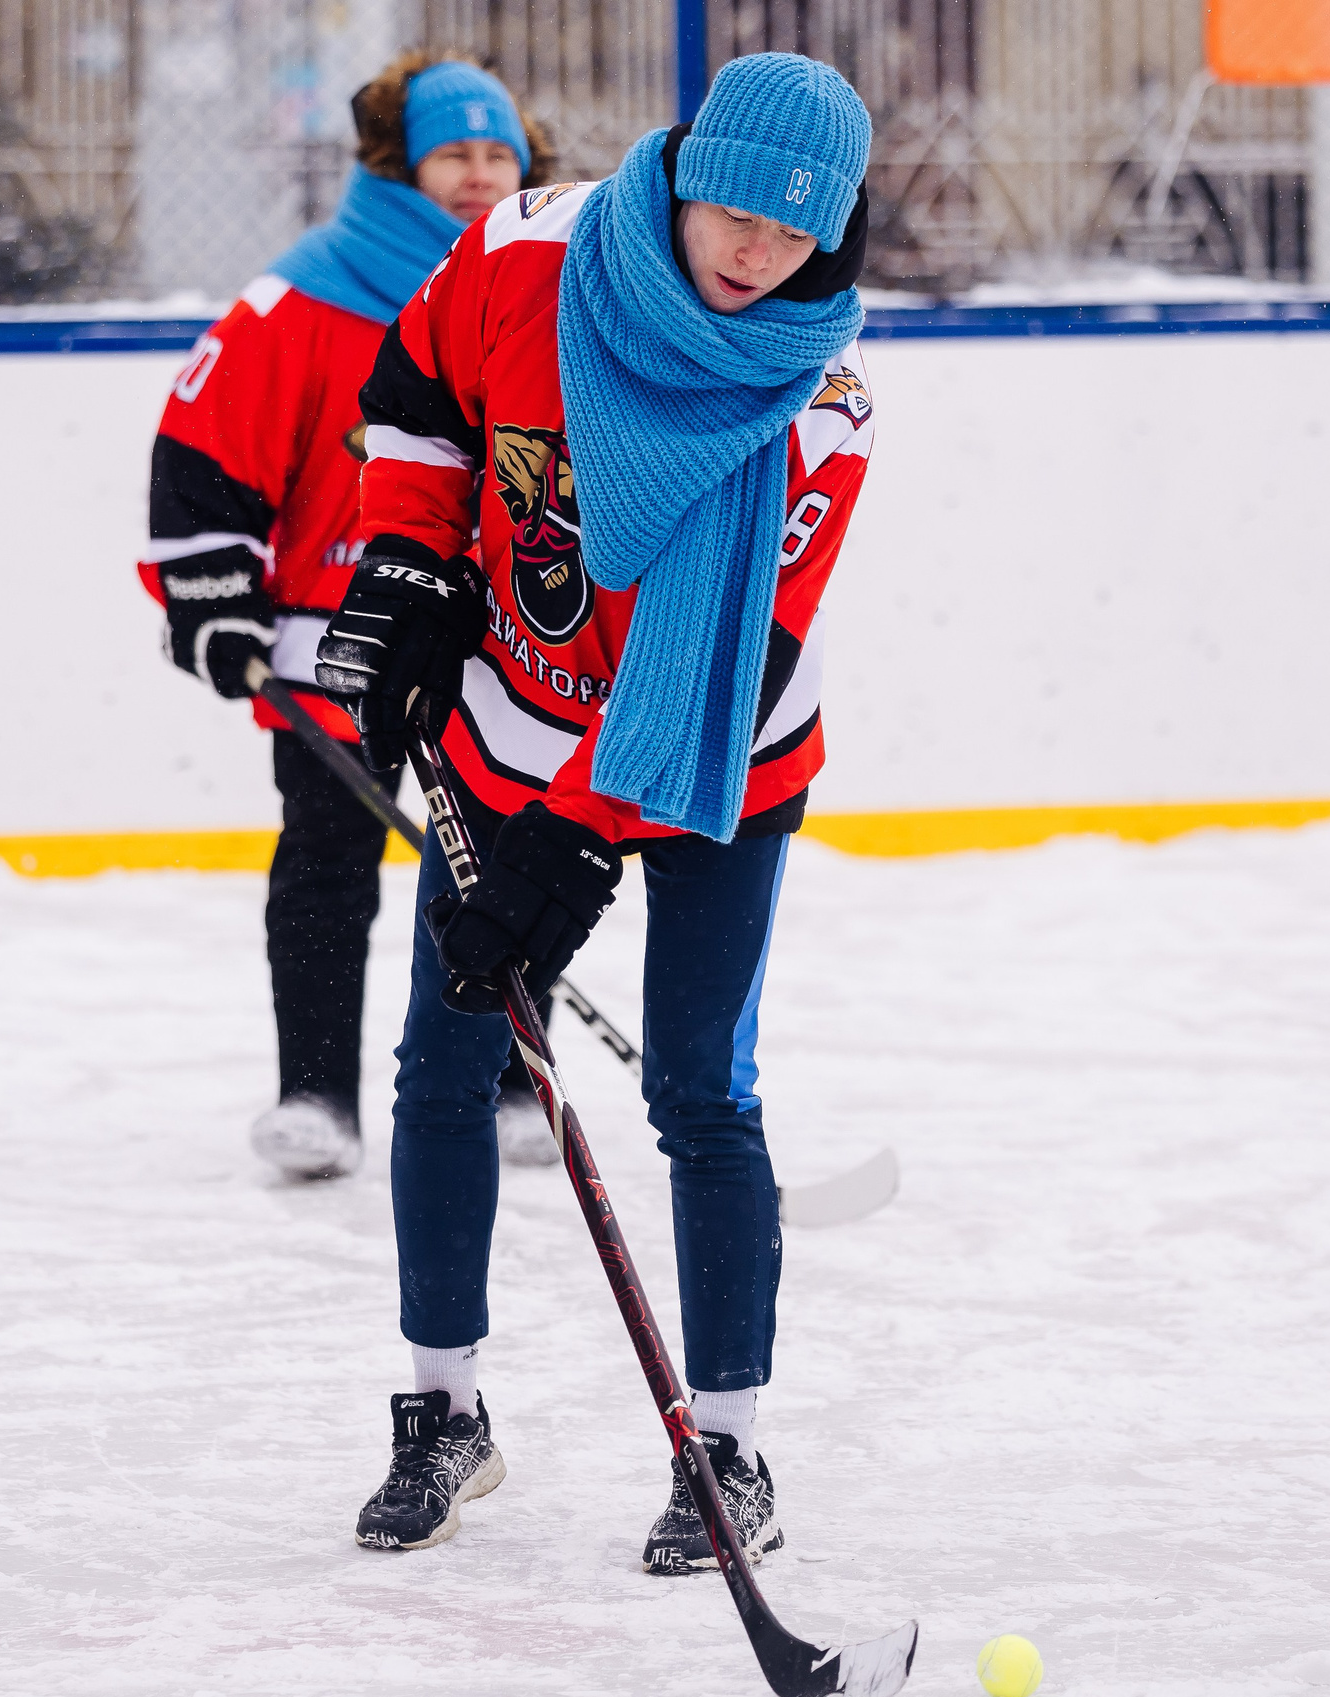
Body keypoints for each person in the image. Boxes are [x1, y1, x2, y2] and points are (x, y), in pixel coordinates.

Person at [313, 54, 878, 1567]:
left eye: (796, 229)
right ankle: (444, 1410)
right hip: (508, 720)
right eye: (736, 210)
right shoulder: (523, 255)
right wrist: (410, 573)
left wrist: (569, 845)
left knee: (699, 1089)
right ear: (687, 170)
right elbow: (416, 404)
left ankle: (732, 1444)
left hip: (718, 769)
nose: (759, 249)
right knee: (445, 1055)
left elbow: (727, 672)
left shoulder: (819, 398)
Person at [140, 55, 561, 1182]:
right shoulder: (304, 296)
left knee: (512, 857)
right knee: (327, 867)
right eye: (452, 156)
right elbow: (202, 455)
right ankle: (316, 1092)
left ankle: (519, 1077)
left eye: (496, 156)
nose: (477, 178)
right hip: (339, 637)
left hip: (505, 639)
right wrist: (214, 598)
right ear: (396, 165)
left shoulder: (549, 289)